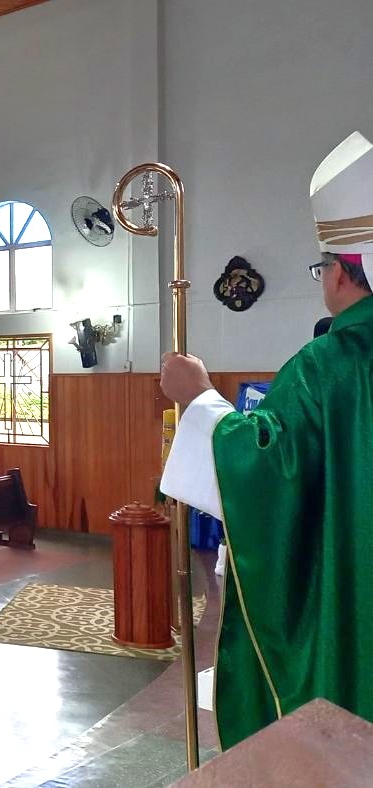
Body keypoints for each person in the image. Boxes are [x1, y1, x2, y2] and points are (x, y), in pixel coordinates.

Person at [159, 131, 373, 749]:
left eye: (322, 266)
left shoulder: (329, 366)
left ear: (342, 273)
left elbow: (262, 465)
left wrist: (197, 396)